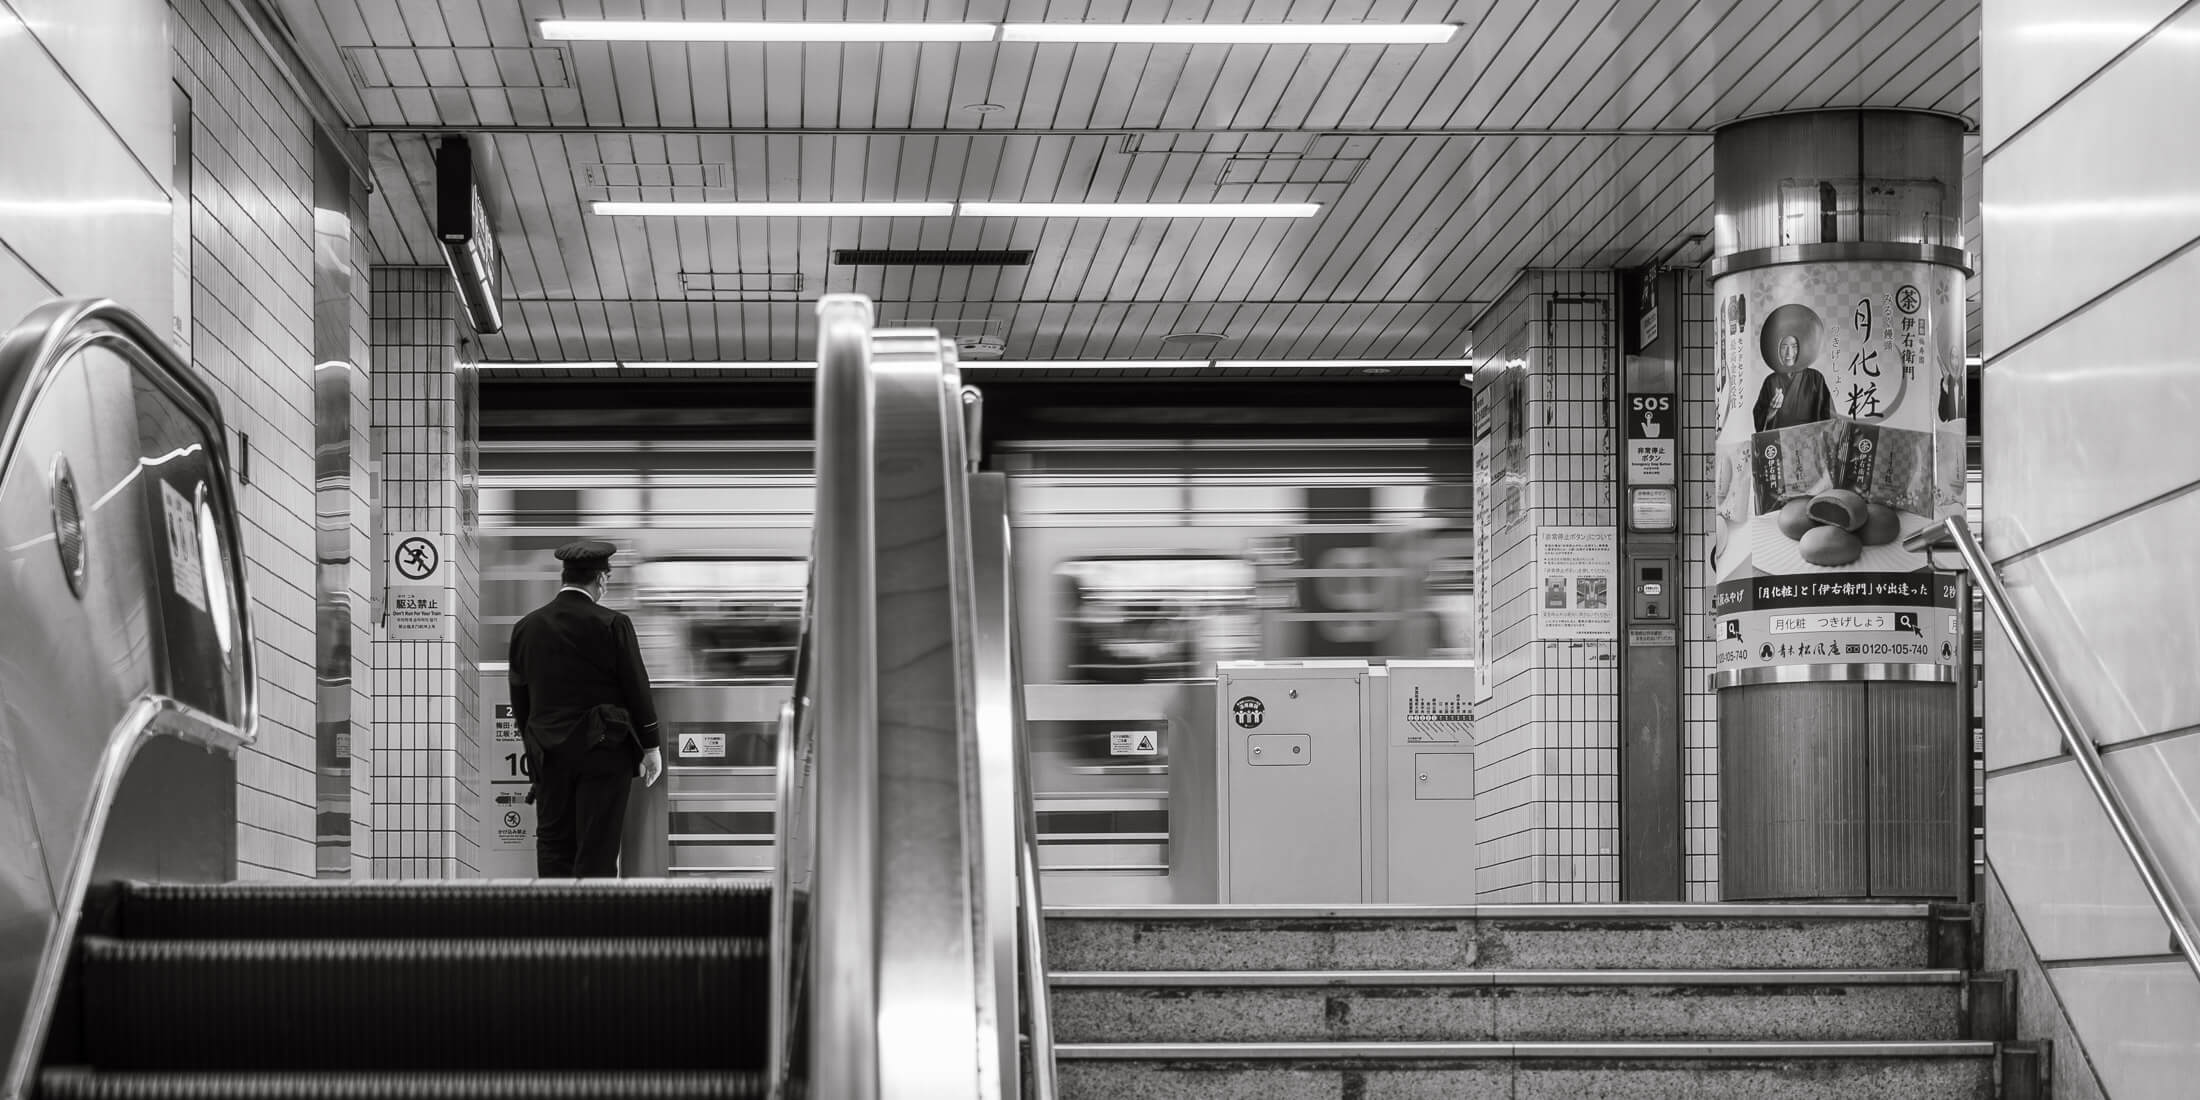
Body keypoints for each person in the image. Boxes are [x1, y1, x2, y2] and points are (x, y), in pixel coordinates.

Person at [508, 540, 664, 877]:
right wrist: (651, 746)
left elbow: (520, 699)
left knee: (553, 846)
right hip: (603, 753)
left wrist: (534, 747)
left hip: (549, 754)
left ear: (564, 577)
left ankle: (556, 910)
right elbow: (636, 687)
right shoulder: (613, 623)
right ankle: (593, 911)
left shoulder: (526, 627)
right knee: (598, 848)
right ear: (601, 579)